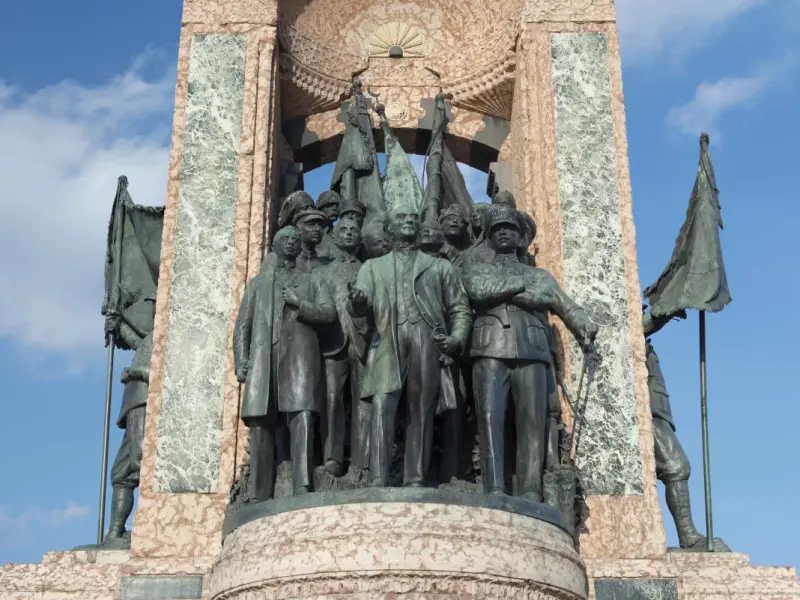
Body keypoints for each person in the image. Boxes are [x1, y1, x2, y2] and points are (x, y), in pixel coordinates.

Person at [463, 205, 597, 501]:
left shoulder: (543, 276)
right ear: (488, 236)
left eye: (509, 228)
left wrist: (584, 324)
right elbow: (479, 291)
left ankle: (531, 491)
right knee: (490, 419)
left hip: (531, 351)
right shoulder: (478, 268)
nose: (504, 233)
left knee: (532, 423)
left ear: (520, 236)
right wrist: (527, 286)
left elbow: (565, 305)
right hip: (490, 349)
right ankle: (494, 489)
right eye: (497, 229)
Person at [347, 208, 473, 488]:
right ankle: (377, 478)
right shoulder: (372, 267)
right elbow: (360, 300)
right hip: (386, 338)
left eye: (412, 219)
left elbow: (460, 309)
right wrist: (356, 303)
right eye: (401, 219)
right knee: (382, 405)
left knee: (421, 409)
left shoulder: (439, 266)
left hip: (426, 339)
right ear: (389, 230)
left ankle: (415, 478)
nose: (408, 221)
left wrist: (455, 340)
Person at [233, 227, 336, 499]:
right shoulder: (258, 284)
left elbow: (328, 314)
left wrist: (299, 303)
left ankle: (302, 484)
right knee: (261, 424)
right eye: (284, 240)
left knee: (301, 417)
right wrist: (241, 360)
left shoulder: (313, 281)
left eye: (294, 240)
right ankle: (259, 492)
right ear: (275, 247)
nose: (290, 243)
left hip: (300, 357)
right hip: (265, 359)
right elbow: (243, 326)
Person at [643, 307, 731, 552]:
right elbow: (637, 327)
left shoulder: (645, 345)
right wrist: (667, 309)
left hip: (652, 410)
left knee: (676, 467)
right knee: (676, 465)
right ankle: (688, 536)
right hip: (640, 413)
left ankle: (687, 536)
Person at [317, 218, 369, 477]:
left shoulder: (369, 269)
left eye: (353, 231)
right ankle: (332, 457)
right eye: (344, 231)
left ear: (360, 238)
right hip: (333, 342)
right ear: (335, 237)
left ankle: (361, 460)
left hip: (363, 341)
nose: (349, 234)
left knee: (362, 400)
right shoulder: (323, 271)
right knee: (333, 398)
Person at [293, 209, 331, 273]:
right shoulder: (289, 263)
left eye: (320, 226)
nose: (317, 229)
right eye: (311, 225)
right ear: (298, 229)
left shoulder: (327, 264)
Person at [315, 190, 342, 260]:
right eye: (330, 204)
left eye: (337, 205)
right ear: (320, 207)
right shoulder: (313, 233)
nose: (334, 208)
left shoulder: (340, 234)